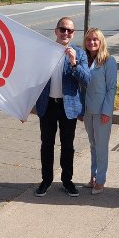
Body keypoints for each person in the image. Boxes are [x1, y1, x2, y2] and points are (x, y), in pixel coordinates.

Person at [34, 17, 90, 197]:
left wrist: (73, 62)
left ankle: (67, 181)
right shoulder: (45, 51)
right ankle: (46, 180)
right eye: (63, 29)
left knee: (68, 146)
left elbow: (86, 80)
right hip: (48, 105)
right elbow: (33, 78)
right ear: (56, 31)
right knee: (47, 145)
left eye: (70, 31)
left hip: (69, 108)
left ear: (73, 34)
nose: (66, 33)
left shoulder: (79, 53)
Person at [81, 27, 118, 194]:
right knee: (93, 145)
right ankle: (93, 175)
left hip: (102, 111)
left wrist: (107, 112)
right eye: (89, 39)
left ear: (101, 41)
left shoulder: (109, 61)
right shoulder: (84, 60)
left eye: (95, 39)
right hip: (88, 110)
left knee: (101, 147)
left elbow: (111, 88)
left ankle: (101, 180)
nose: (92, 42)